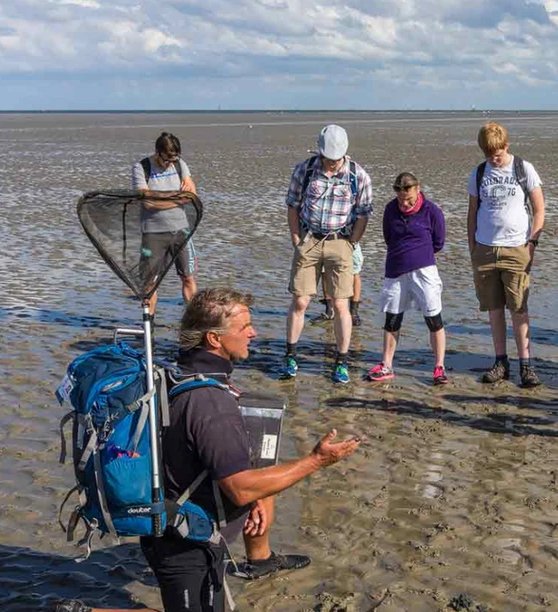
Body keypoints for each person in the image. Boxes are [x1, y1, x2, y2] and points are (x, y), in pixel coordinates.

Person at [53, 288, 362, 612]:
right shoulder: (211, 402)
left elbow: (199, 457)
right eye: (245, 328)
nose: (254, 333)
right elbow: (240, 488)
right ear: (214, 339)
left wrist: (254, 498)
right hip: (185, 544)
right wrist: (317, 460)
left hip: (175, 530)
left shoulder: (178, 374)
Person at [281, 124, 373, 384]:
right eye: (326, 159)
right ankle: (290, 357)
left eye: (335, 159)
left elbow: (364, 213)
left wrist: (352, 242)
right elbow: (292, 205)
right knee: (300, 301)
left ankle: (341, 362)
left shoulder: (358, 175)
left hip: (340, 242)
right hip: (309, 240)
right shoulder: (305, 170)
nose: (331, 164)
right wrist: (296, 239)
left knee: (341, 304)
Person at [468, 121, 547, 387]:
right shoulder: (478, 174)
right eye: (489, 154)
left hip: (517, 249)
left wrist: (532, 243)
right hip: (485, 249)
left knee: (519, 308)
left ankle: (526, 364)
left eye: (498, 153)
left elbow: (539, 210)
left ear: (506, 145)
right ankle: (500, 361)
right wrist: (473, 248)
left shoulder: (524, 169)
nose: (494, 158)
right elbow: (472, 214)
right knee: (494, 308)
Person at [366, 173, 449, 385]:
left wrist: (419, 254)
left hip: (424, 271)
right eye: (401, 198)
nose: (404, 203)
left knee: (434, 319)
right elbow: (388, 237)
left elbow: (438, 242)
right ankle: (386, 364)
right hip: (395, 270)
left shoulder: (432, 211)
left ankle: (439, 367)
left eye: (409, 199)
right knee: (392, 319)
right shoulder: (390, 209)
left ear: (418, 189)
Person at [132, 132, 199, 313]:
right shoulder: (142, 168)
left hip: (181, 231)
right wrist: (177, 199)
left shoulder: (180, 165)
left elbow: (191, 195)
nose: (169, 164)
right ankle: (149, 326)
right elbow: (147, 202)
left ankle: (192, 322)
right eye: (166, 160)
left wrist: (161, 199)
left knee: (188, 278)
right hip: (153, 233)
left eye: (173, 159)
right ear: (158, 152)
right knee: (149, 284)